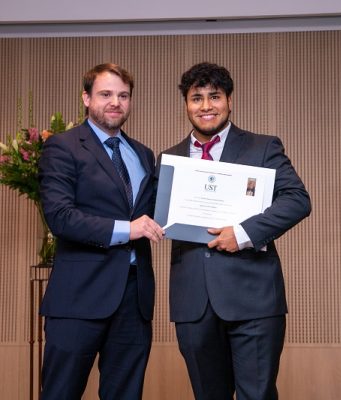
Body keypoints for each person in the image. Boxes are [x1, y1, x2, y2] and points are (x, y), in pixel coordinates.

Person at [158, 62, 311, 400]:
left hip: (253, 299)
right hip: (193, 304)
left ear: (230, 101)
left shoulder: (262, 147)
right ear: (186, 105)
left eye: (214, 96)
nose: (206, 106)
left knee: (256, 395)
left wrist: (242, 233)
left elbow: (297, 200)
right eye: (196, 98)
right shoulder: (168, 159)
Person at [38, 63, 164, 399]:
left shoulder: (143, 154)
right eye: (106, 94)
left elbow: (156, 214)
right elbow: (60, 217)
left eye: (123, 95)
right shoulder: (63, 146)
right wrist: (128, 229)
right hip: (78, 297)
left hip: (134, 299)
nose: (115, 102)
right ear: (86, 98)